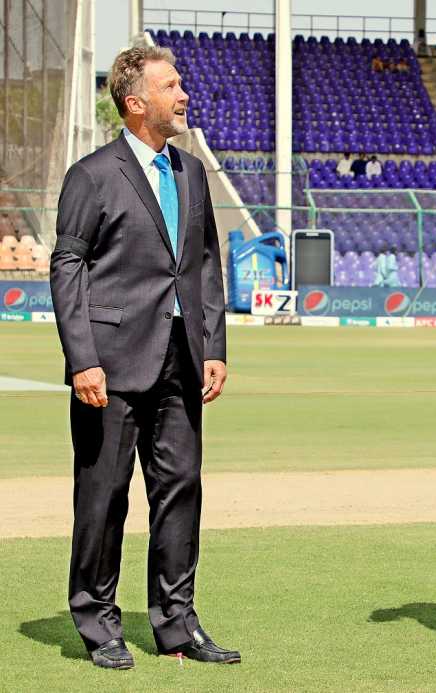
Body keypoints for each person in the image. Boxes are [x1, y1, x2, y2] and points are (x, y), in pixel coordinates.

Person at [49, 46, 240, 670]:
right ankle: (98, 623)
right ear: (137, 103)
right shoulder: (93, 174)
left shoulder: (190, 171)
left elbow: (206, 263)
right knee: (103, 496)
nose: (184, 94)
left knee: (181, 492)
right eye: (172, 85)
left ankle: (177, 624)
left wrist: (213, 346)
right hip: (110, 363)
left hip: (183, 363)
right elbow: (67, 265)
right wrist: (82, 359)